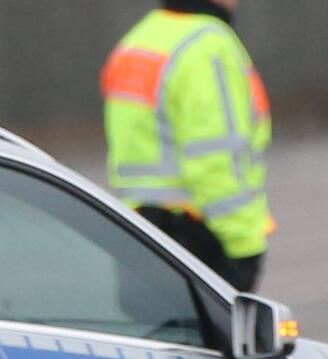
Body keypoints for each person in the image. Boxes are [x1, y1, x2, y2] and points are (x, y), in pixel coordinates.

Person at [102, 0, 274, 292]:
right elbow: (216, 158)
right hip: (199, 240)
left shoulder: (139, 40)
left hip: (138, 233)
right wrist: (244, 246)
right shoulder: (208, 46)